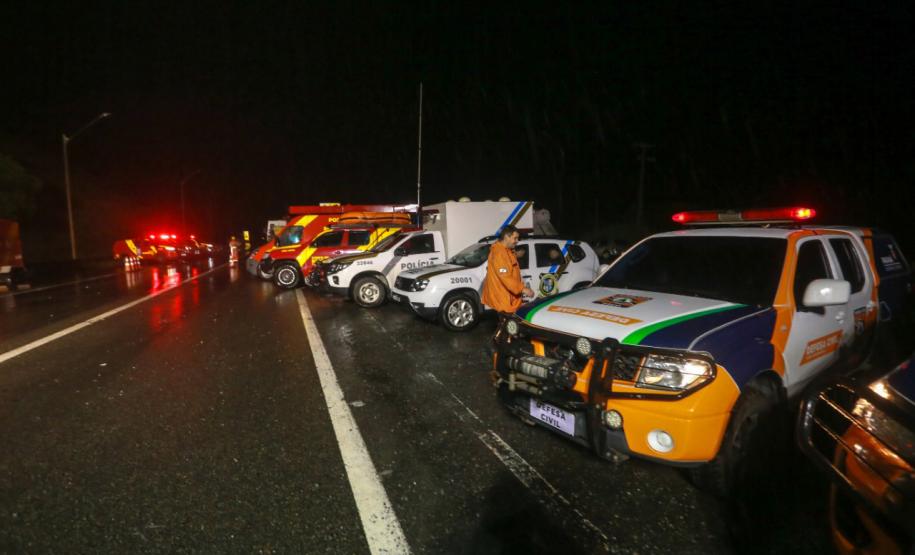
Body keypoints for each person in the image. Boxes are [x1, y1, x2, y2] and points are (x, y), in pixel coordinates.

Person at [482, 225, 534, 315]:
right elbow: (505, 277)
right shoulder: (500, 253)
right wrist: (523, 289)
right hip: (504, 300)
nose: (517, 241)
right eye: (515, 238)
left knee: (507, 326)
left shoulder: (505, 250)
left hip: (507, 298)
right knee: (510, 326)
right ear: (506, 237)